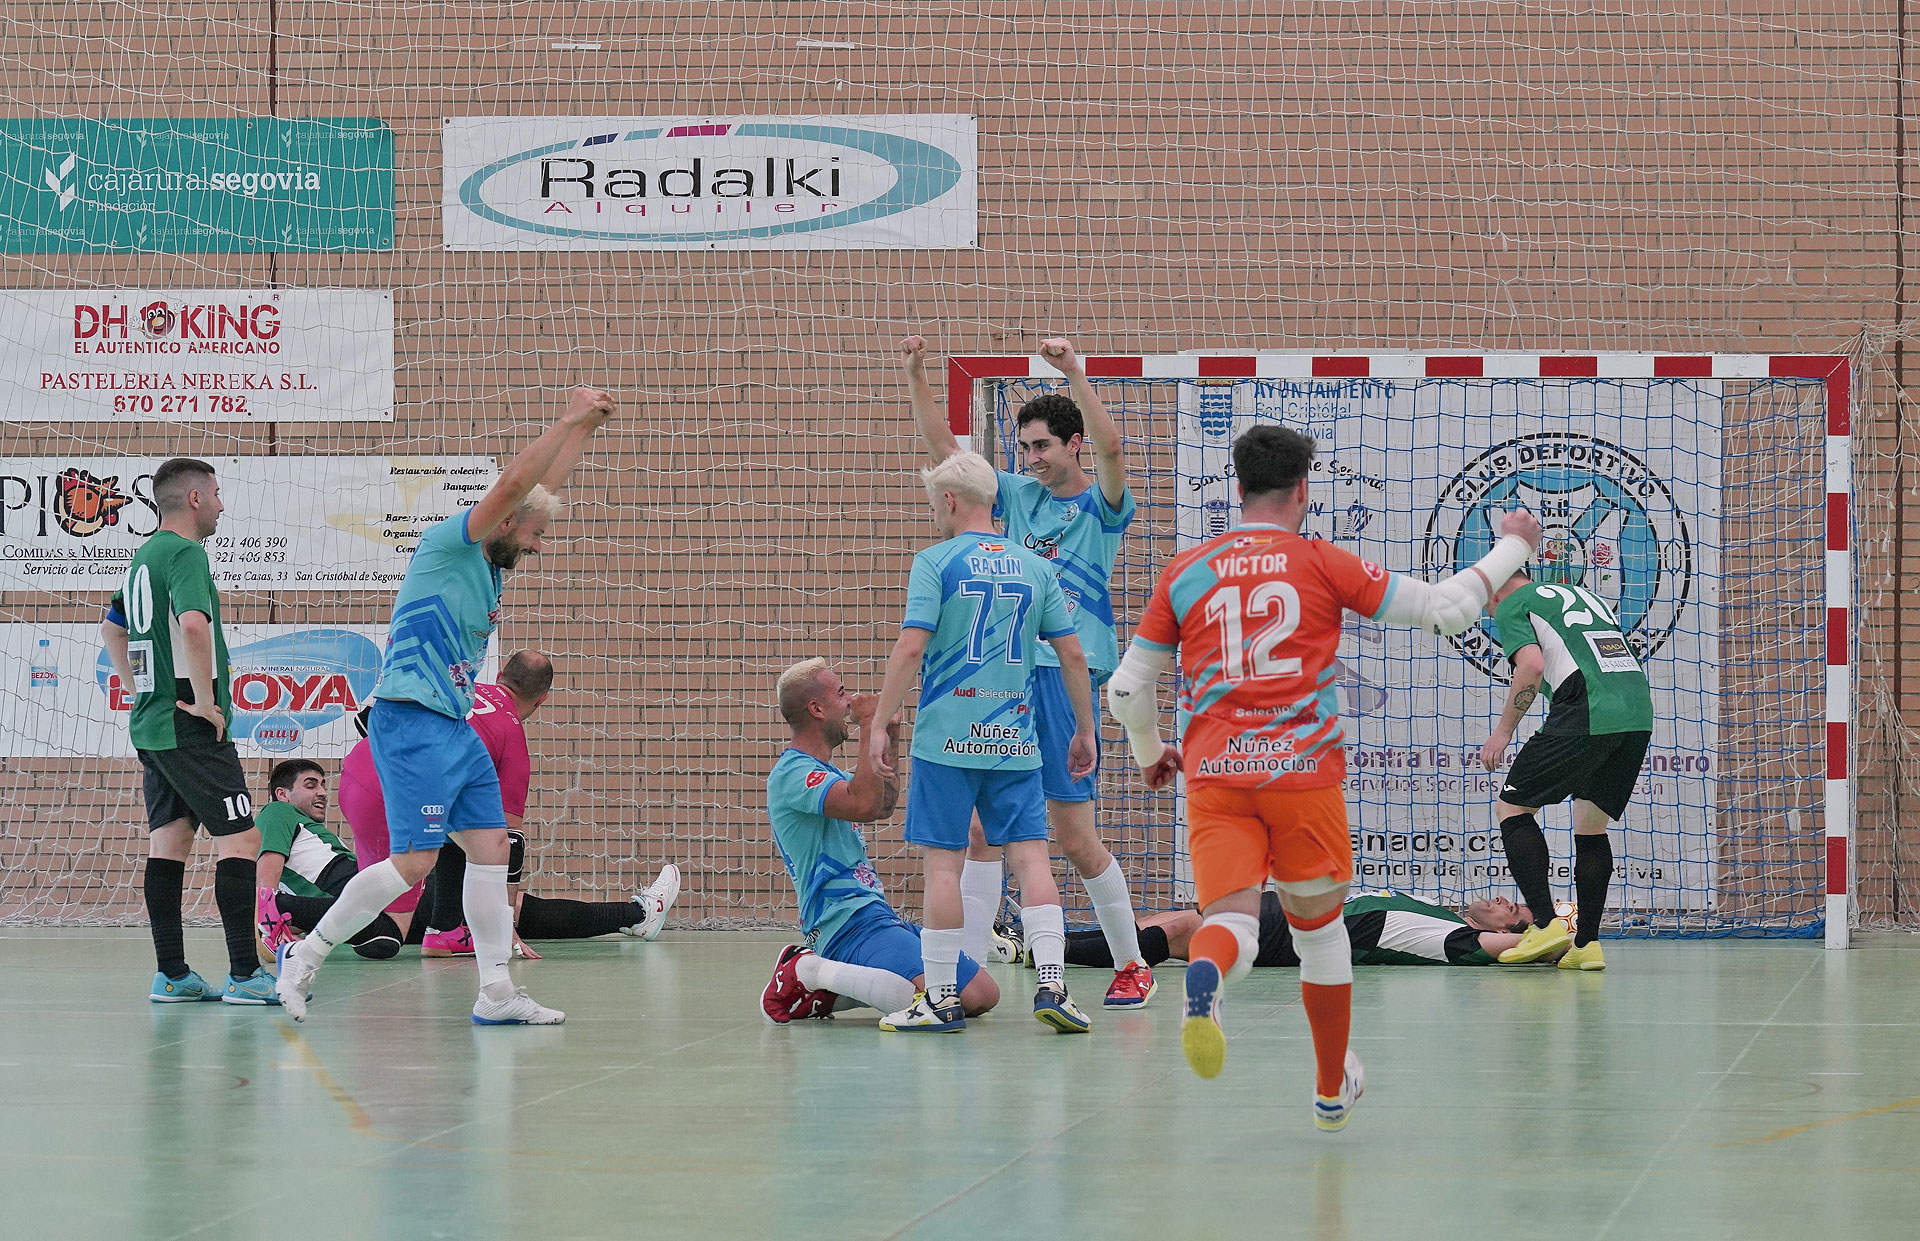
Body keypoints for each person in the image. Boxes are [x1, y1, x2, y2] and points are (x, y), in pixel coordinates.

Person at [1106, 423, 1542, 1130]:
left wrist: (1150, 749)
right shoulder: (1318, 561)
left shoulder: (1185, 570)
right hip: (1301, 777)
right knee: (1320, 934)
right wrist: (1516, 542)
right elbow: (1446, 609)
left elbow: (1125, 692)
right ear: (1303, 490)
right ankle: (1330, 1087)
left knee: (1232, 927)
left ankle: (1206, 977)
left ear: (1238, 487)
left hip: (1216, 776)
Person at [276, 386, 616, 1024]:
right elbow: (518, 482)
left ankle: (495, 993)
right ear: (508, 520)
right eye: (537, 533)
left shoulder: (492, 568)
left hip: (454, 727)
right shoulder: (449, 545)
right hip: (411, 721)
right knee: (414, 863)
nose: (540, 545)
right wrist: (566, 414)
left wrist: (585, 432)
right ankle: (307, 954)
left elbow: (538, 487)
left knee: (492, 847)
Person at [904, 335, 1156, 1008]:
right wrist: (917, 374)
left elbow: (1113, 450)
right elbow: (947, 458)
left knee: (1072, 838)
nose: (1031, 458)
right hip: (1009, 679)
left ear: (1071, 445)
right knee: (984, 833)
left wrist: (1075, 368)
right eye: (1024, 449)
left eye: (1042, 445)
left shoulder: (1101, 506)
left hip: (1062, 676)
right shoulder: (1014, 496)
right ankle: (966, 978)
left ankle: (1132, 963)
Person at [866, 451, 1098, 1034]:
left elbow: (911, 648)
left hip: (945, 740)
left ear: (948, 501)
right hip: (1014, 738)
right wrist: (1084, 727)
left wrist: (880, 722)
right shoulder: (1034, 566)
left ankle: (942, 999)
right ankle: (1054, 985)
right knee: (1033, 859)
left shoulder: (935, 561)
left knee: (943, 868)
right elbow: (1072, 653)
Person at [102, 457, 278, 1005]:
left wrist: (136, 689)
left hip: (153, 724)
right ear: (196, 499)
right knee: (244, 839)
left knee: (171, 842)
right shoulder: (185, 553)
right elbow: (194, 624)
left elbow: (111, 627)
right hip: (188, 726)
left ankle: (173, 974)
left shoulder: (142, 557)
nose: (223, 505)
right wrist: (205, 702)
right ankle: (247, 976)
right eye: (219, 494)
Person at [367, 653, 681, 953]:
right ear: (542, 699)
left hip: (382, 815)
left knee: (460, 836)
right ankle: (639, 915)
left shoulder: (459, 693)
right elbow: (510, 842)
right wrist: (505, 923)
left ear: (500, 675)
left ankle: (443, 931)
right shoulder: (509, 736)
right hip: (406, 881)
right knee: (515, 904)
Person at [760, 658, 1000, 1024]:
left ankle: (822, 996)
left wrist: (890, 731)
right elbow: (864, 804)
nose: (852, 700)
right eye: (841, 693)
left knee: (984, 995)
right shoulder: (792, 774)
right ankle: (804, 970)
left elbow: (884, 804)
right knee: (937, 1004)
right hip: (845, 924)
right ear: (817, 709)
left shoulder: (830, 773)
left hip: (876, 917)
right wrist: (870, 725)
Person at [1477, 570, 1655, 972]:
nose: (1490, 610)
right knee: (1591, 827)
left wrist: (1502, 733)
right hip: (1637, 712)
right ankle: (1587, 944)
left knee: (1513, 807)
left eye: (1486, 600)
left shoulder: (1512, 603)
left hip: (1588, 708)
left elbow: (1532, 666)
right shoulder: (1579, 595)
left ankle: (1545, 923)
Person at [1059, 890, 1561, 969]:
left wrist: (1564, 935)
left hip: (1307, 933)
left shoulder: (1451, 935)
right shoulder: (1438, 908)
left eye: (1511, 909)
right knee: (1177, 920)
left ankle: (1051, 954)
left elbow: (1513, 948)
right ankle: (1050, 945)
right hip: (1300, 908)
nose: (1501, 900)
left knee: (1186, 930)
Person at [255, 758, 410, 960]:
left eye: (322, 785)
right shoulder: (278, 810)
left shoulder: (314, 831)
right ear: (282, 794)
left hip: (360, 891)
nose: (322, 793)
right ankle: (279, 908)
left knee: (394, 934)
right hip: (348, 882)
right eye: (311, 785)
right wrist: (268, 918)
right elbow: (268, 865)